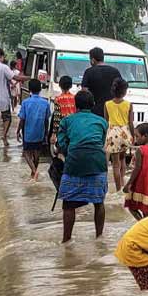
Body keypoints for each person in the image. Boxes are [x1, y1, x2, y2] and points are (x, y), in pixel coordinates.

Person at [57, 90, 109, 243]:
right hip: (98, 164)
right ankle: (99, 237)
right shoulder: (102, 122)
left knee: (68, 203)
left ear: (75, 105)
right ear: (92, 104)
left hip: (74, 163)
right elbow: (102, 142)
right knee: (99, 202)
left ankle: (66, 240)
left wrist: (70, 154)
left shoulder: (67, 121)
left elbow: (61, 144)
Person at [123, 123, 148, 221]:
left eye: (137, 136)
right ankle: (146, 227)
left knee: (131, 206)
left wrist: (128, 184)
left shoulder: (140, 150)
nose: (136, 139)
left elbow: (137, 168)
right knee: (146, 210)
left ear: (145, 136)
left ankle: (142, 225)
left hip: (141, 182)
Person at [105, 78, 135, 193]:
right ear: (125, 91)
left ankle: (118, 189)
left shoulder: (107, 104)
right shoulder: (128, 105)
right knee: (123, 159)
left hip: (112, 134)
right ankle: (122, 183)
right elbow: (130, 123)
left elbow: (106, 121)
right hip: (125, 133)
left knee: (115, 164)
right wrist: (133, 137)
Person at [17, 78, 50, 181]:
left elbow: (22, 119)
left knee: (27, 152)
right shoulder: (45, 103)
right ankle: (33, 173)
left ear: (29, 89)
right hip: (40, 131)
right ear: (40, 89)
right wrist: (46, 132)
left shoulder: (26, 103)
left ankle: (34, 171)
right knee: (37, 153)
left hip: (28, 132)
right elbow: (46, 119)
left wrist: (18, 130)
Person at [82, 47, 122, 118]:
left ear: (93, 60)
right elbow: (121, 89)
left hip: (94, 112)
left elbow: (84, 91)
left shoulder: (89, 72)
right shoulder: (115, 71)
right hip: (112, 111)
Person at [50, 75, 77, 156]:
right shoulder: (75, 98)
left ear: (59, 85)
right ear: (71, 86)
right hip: (73, 128)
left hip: (62, 129)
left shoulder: (57, 99)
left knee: (61, 151)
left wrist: (54, 134)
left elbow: (57, 118)